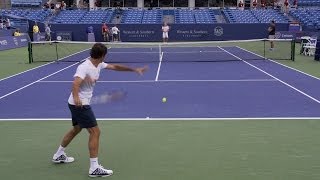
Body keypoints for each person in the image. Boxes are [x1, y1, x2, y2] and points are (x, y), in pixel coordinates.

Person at [52, 43, 148, 177]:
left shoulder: (98, 64)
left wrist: (134, 70)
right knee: (95, 132)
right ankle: (94, 168)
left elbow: (115, 67)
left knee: (77, 129)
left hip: (74, 103)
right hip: (80, 104)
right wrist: (77, 98)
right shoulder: (84, 67)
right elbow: (75, 83)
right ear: (102, 56)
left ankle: (59, 154)